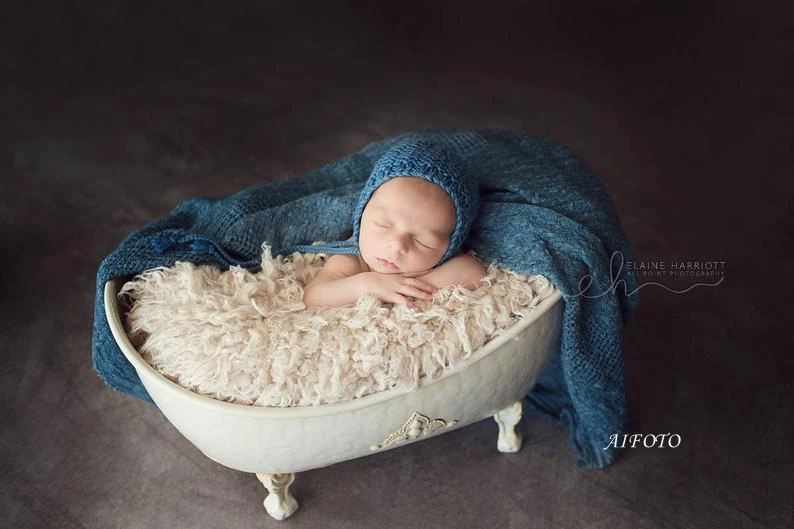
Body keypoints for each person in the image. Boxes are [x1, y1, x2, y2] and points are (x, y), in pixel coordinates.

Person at [303, 139, 486, 309]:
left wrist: (412, 286)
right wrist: (365, 285)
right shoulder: (353, 258)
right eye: (383, 224)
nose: (397, 245)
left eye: (423, 242)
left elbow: (474, 273)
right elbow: (312, 296)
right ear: (362, 213)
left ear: (450, 246)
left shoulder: (439, 263)